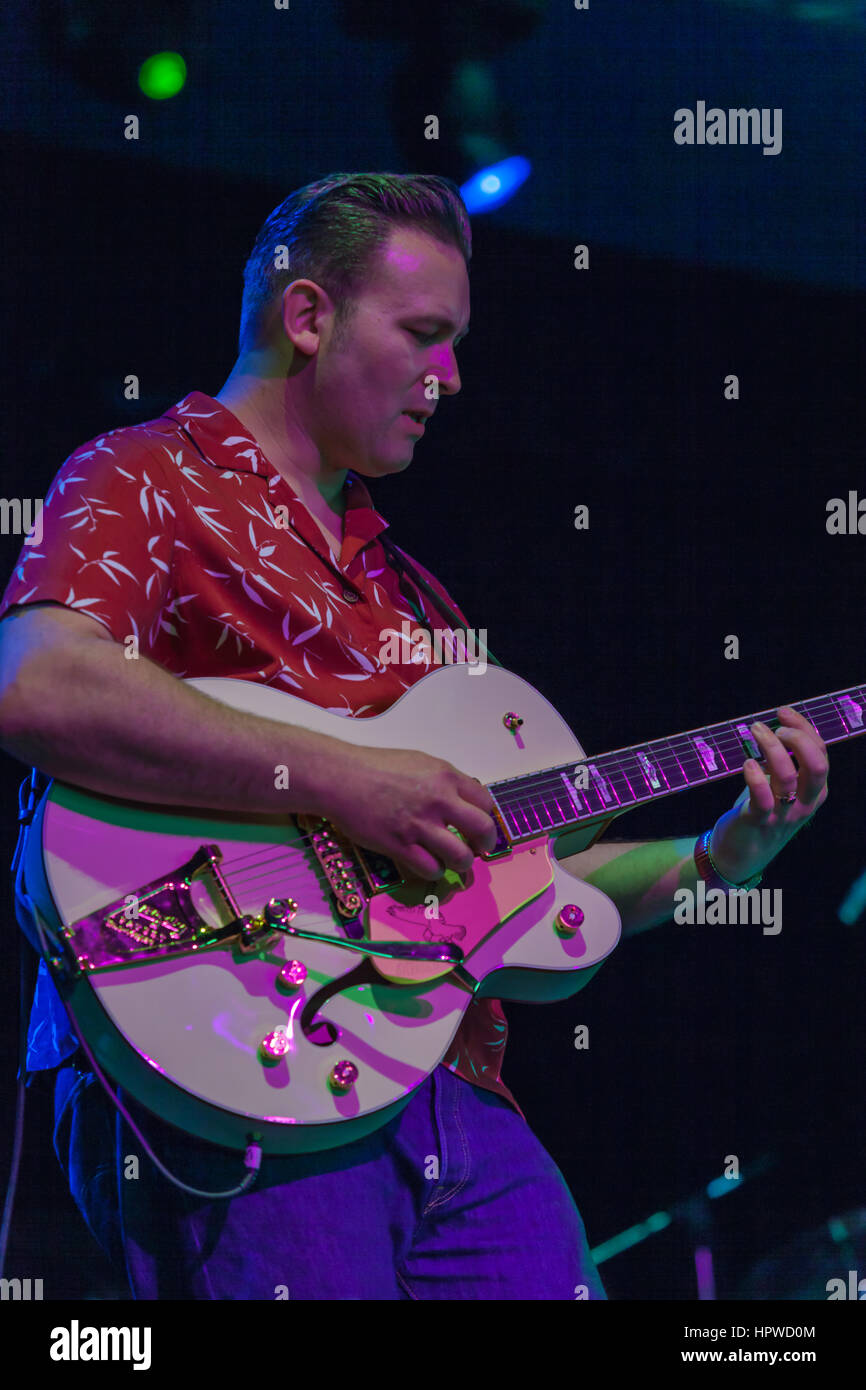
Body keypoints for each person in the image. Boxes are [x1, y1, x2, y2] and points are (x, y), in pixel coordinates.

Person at [0, 172, 829, 1300]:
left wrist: (714, 859)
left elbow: (545, 887)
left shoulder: (417, 601)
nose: (450, 380)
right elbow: (44, 692)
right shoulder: (144, 477)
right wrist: (346, 778)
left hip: (452, 1094)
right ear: (307, 317)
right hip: (243, 1057)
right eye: (425, 337)